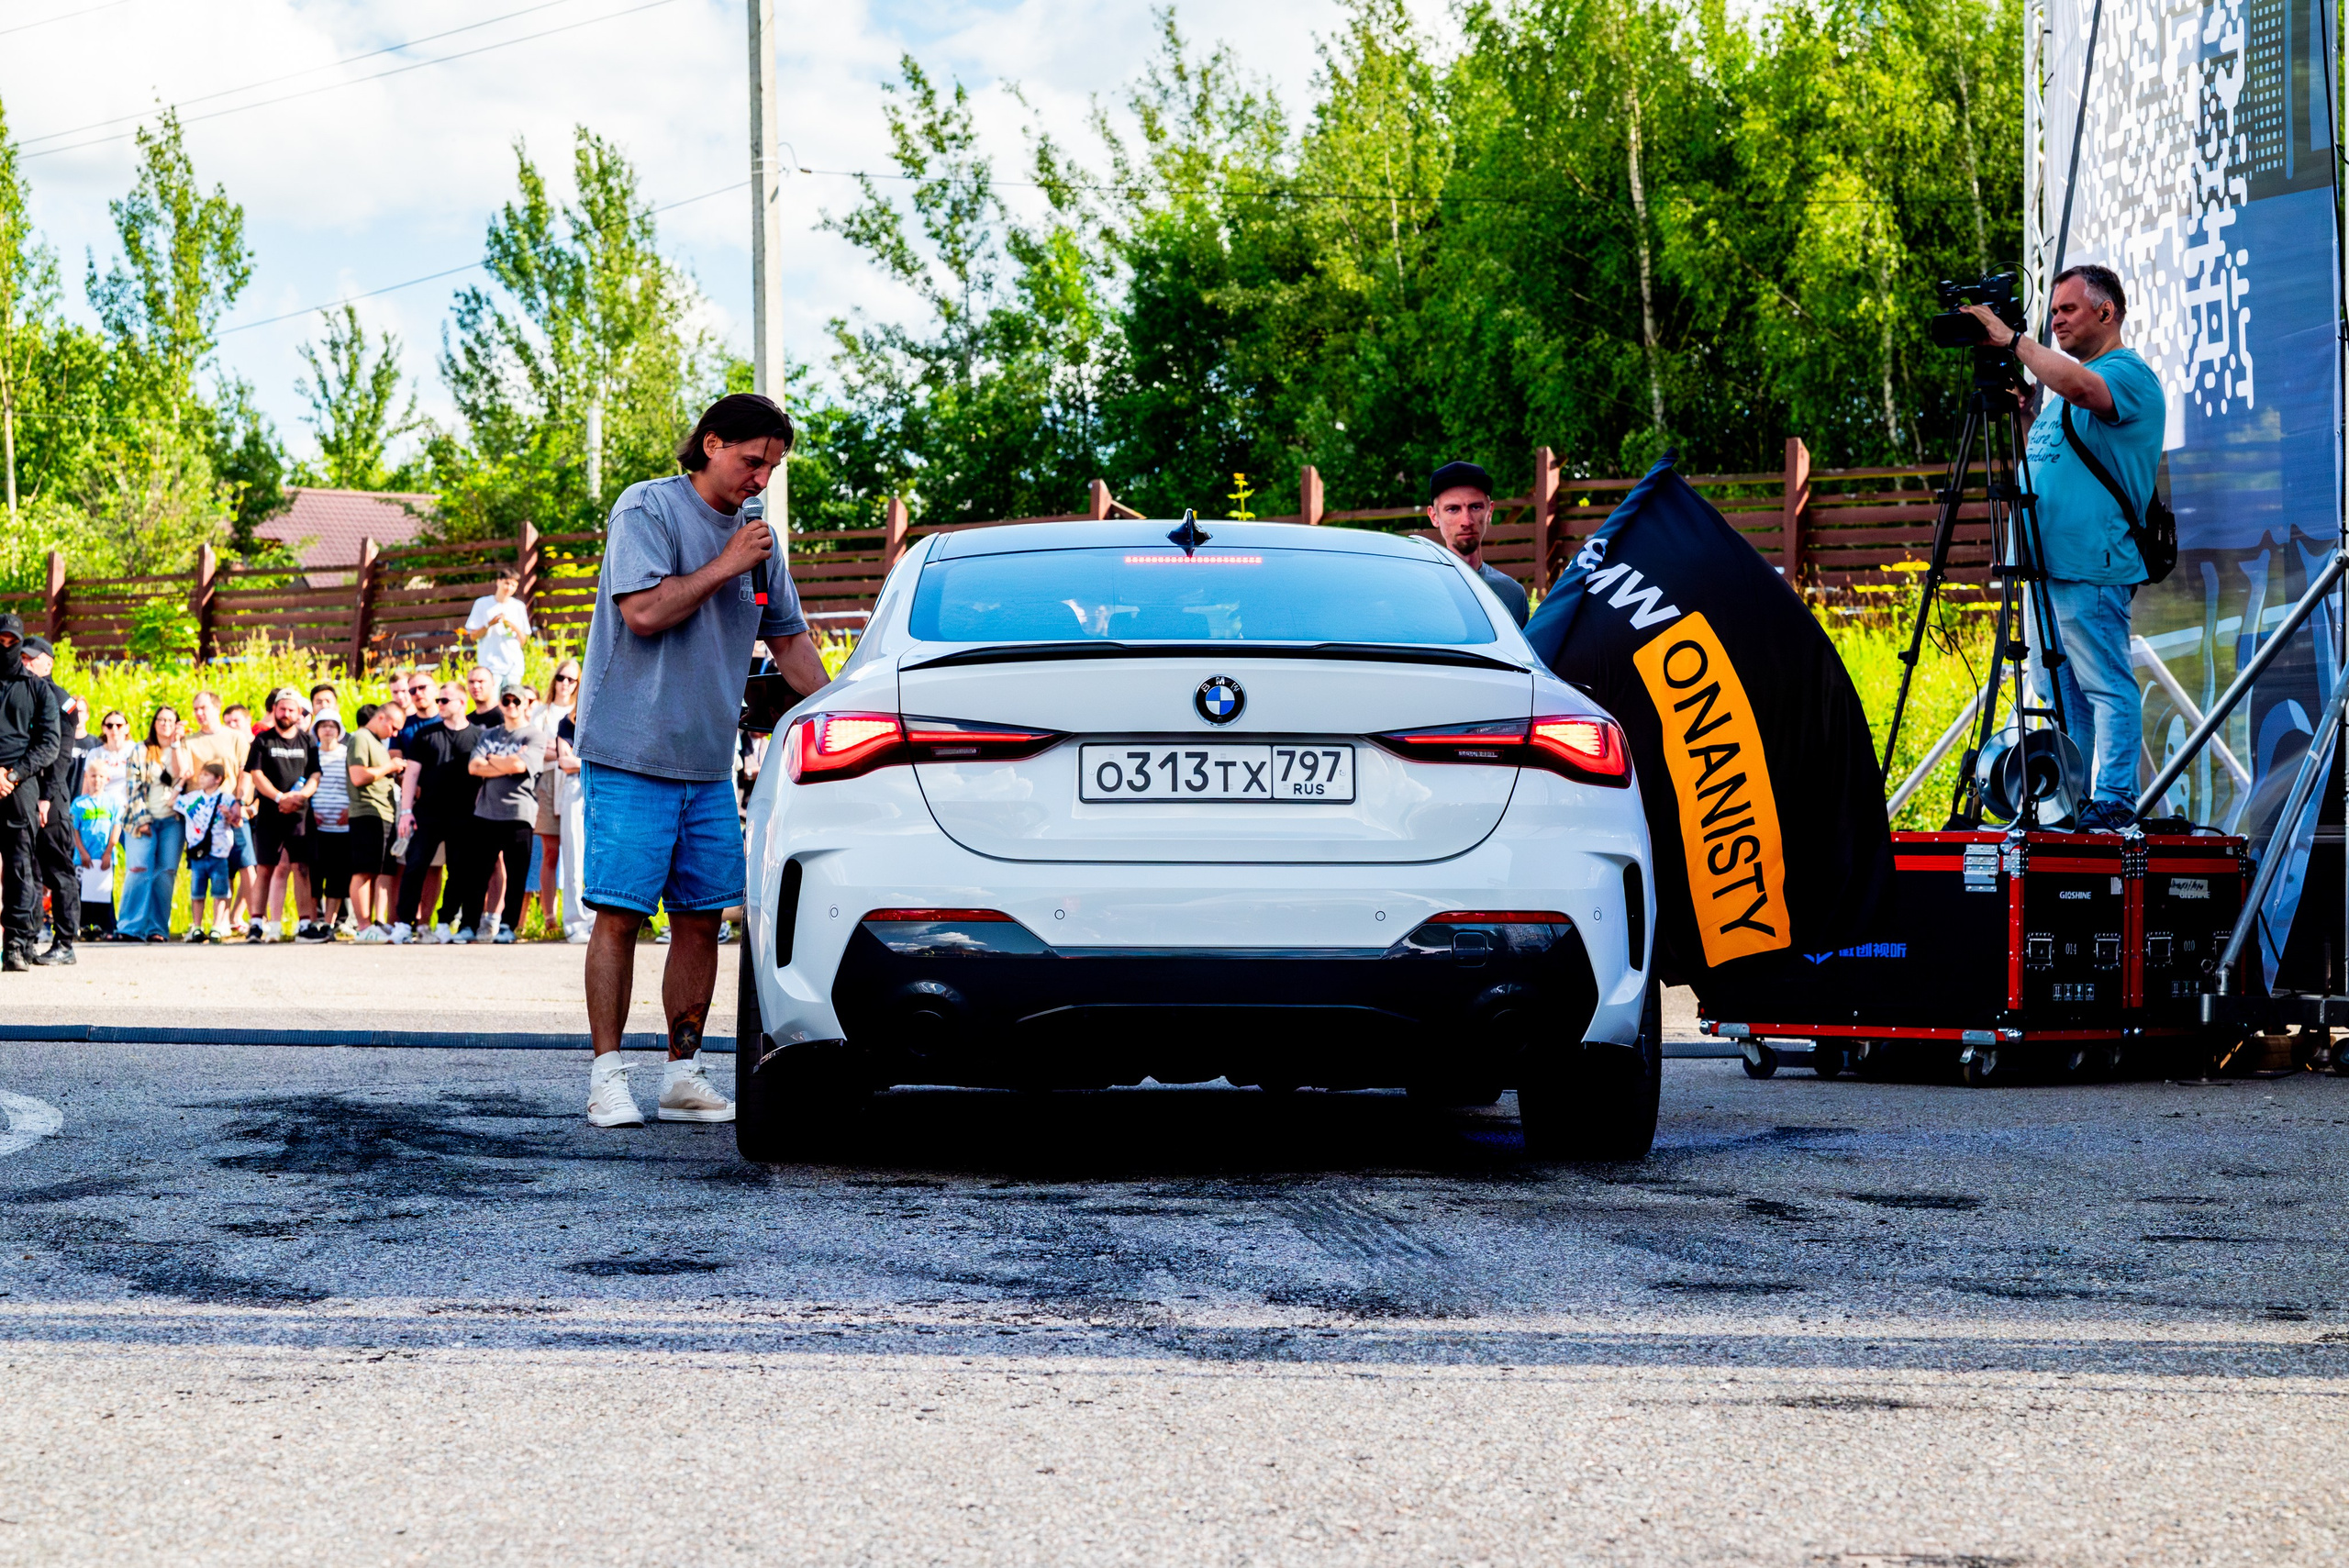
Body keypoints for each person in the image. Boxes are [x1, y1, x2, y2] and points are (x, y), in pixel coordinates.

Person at [574, 392, 827, 1128]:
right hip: (631, 752)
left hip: (709, 764)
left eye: (772, 468)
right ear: (711, 443)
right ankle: (606, 1075)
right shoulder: (645, 509)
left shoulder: (760, 540)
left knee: (701, 919)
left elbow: (791, 645)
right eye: (752, 461)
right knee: (620, 915)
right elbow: (644, 612)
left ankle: (682, 1074)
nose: (760, 480)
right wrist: (725, 564)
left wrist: (849, 708)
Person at [1963, 263, 2165, 833]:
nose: (2057, 320)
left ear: (2106, 311)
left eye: (2067, 309)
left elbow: (2080, 388)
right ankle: (2072, 802)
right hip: (2045, 567)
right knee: (2059, 696)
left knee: (2106, 685)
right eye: (2052, 311)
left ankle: (2116, 798)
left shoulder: (2125, 374)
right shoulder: (2064, 389)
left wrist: (2012, 339)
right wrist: (2027, 410)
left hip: (2089, 567)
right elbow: (2060, 447)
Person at [391, 682, 484, 943]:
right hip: (427, 813)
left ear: (462, 703)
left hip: (465, 815)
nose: (439, 705)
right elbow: (412, 773)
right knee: (415, 865)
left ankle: (445, 922)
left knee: (458, 870)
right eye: (439, 700)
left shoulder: (479, 736)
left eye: (445, 700)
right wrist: (406, 811)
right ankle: (403, 923)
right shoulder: (426, 734)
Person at [0, 615, 61, 972]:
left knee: (22, 868)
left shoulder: (39, 690)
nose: (6, 647)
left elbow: (49, 744)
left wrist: (14, 773)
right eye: (1, 640)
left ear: (21, 644)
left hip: (20, 784)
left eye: (12, 641)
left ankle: (17, 944)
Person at [20, 639, 83, 964]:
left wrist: (47, 796)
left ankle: (65, 942)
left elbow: (61, 753)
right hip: (25, 792)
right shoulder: (22, 693)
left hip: (51, 794)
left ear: (49, 663)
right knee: (27, 868)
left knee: (58, 868)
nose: (27, 663)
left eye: (33, 658)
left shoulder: (59, 699)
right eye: (23, 658)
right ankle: (26, 940)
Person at [464, 683, 540, 943]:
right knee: (476, 873)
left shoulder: (534, 735)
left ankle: (508, 927)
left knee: (517, 874)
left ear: (525, 705)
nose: (510, 706)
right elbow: (474, 767)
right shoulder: (489, 735)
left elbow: (520, 766)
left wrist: (493, 760)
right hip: (486, 812)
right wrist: (505, 763)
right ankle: (468, 925)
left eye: (516, 701)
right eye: (506, 701)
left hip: (519, 813)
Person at [245, 688, 322, 942]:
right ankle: (256, 923)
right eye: (282, 708)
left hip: (299, 817)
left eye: (291, 709)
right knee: (265, 868)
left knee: (301, 868)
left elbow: (314, 775)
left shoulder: (308, 741)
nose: (286, 713)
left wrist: (300, 798)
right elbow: (256, 774)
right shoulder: (263, 740)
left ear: (299, 712)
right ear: (274, 711)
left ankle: (305, 925)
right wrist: (280, 797)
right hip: (270, 814)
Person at [1426, 461, 1531, 628]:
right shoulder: (1420, 591)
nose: (1466, 521)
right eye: (1453, 509)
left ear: (1489, 512)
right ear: (1434, 516)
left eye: (1475, 507)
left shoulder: (1511, 595)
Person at [116, 706, 190, 942]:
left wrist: (177, 743)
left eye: (171, 720)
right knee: (139, 871)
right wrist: (143, 820)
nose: (165, 724)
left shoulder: (183, 749)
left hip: (172, 822)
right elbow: (132, 788)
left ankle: (157, 928)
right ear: (154, 723)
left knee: (165, 874)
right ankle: (130, 927)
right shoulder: (141, 750)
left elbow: (183, 774)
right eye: (161, 720)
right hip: (142, 819)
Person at [183, 690, 254, 932]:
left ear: (216, 708)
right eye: (195, 709)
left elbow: (246, 771)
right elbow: (183, 775)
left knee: (246, 864)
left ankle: (251, 919)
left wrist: (239, 802)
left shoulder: (235, 737)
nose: (199, 713)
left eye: (203, 708)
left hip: (232, 812)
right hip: (201, 819)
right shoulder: (189, 741)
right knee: (210, 872)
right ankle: (208, 924)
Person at [345, 702, 408, 942]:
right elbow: (358, 776)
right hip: (366, 812)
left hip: (384, 813)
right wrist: (390, 767)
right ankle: (363, 927)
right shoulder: (361, 737)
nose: (394, 734)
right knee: (363, 871)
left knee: (378, 871)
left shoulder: (377, 742)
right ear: (382, 717)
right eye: (393, 727)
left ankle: (372, 924)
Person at [528, 659, 582, 938]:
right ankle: (550, 917)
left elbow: (558, 751)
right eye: (561, 677)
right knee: (551, 851)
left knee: (579, 852)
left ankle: (582, 914)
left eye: (572, 679)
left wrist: (559, 751)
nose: (565, 684)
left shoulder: (580, 712)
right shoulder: (541, 712)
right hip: (548, 781)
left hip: (574, 781)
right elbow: (532, 747)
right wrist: (560, 752)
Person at [175, 762, 239, 942]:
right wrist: (182, 781)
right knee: (197, 891)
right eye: (200, 775)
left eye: (205, 775)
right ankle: (197, 926)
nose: (200, 778)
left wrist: (229, 814)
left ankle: (217, 926)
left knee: (220, 891)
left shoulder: (226, 799)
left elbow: (238, 821)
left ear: (217, 779)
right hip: (198, 852)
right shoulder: (192, 797)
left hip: (219, 853)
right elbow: (172, 801)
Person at [307, 715, 351, 936]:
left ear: (339, 730)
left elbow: (355, 784)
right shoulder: (311, 754)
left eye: (331, 726)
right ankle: (313, 919)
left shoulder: (346, 754)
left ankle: (330, 922)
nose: (327, 730)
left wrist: (350, 810)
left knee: (337, 875)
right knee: (314, 875)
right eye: (323, 726)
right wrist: (310, 810)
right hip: (317, 824)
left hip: (342, 825)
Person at [463, 571, 532, 687]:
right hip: (489, 666)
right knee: (493, 703)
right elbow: (473, 636)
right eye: (507, 583)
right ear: (498, 582)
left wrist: (512, 626)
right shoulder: (482, 604)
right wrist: (490, 624)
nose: (509, 588)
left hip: (513, 666)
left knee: (510, 703)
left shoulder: (518, 606)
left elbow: (523, 640)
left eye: (513, 585)